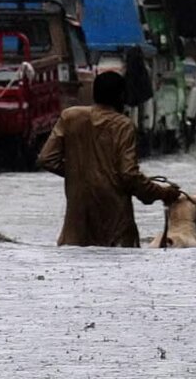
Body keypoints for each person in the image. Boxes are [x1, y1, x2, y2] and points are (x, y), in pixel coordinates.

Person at [36, 71, 182, 247]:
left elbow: (46, 159)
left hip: (75, 230)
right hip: (116, 227)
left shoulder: (70, 117)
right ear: (121, 96)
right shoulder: (122, 125)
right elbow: (129, 175)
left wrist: (80, 173)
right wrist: (163, 193)